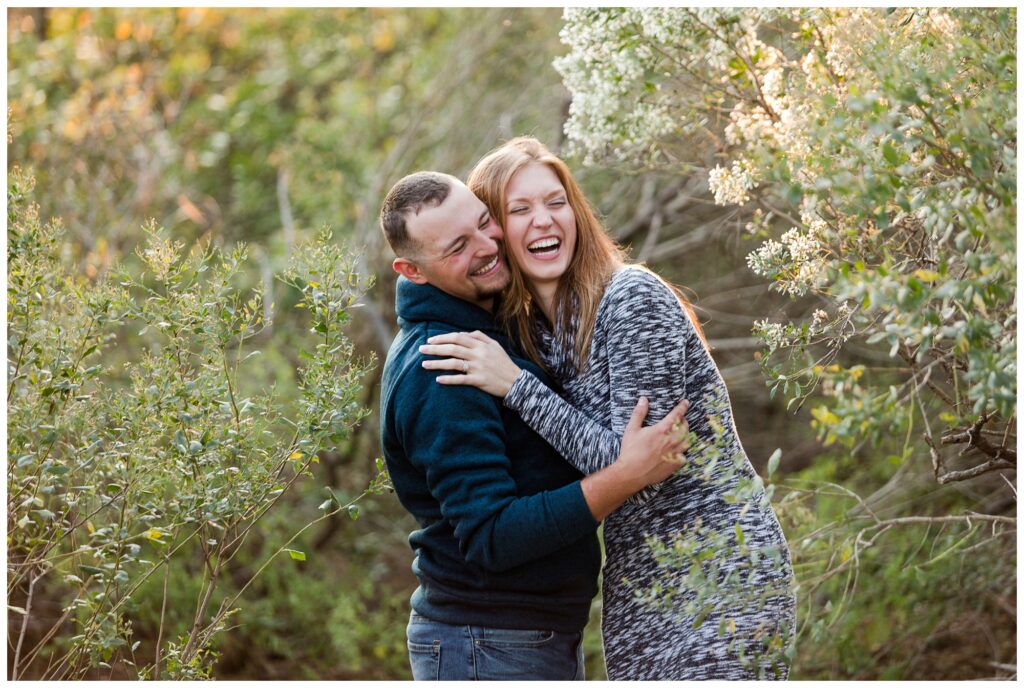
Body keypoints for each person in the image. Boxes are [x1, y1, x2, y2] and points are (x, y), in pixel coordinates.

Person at [418, 138, 796, 680]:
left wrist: (517, 387)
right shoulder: (537, 337)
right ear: (496, 234)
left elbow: (641, 466)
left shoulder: (630, 298)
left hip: (722, 564)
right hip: (640, 580)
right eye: (519, 209)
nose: (543, 221)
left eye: (556, 201)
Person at [377, 171, 691, 681]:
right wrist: (624, 477)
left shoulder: (491, 328)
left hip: (517, 638)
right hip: (488, 642)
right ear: (412, 270)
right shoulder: (445, 366)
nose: (488, 246)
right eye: (459, 246)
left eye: (485, 223)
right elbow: (492, 535)